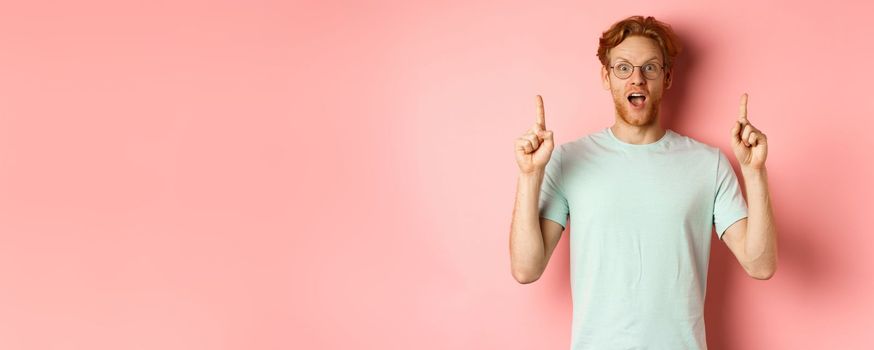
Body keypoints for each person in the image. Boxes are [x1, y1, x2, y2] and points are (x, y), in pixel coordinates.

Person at [508, 15, 778, 349]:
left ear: (666, 78)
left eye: (650, 68)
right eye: (623, 68)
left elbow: (761, 264)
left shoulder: (708, 164)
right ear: (606, 77)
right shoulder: (567, 160)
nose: (637, 78)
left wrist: (755, 172)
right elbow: (526, 268)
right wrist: (530, 175)